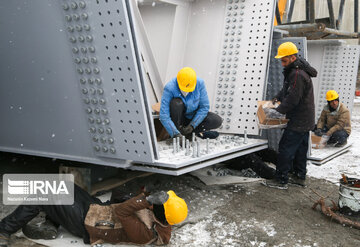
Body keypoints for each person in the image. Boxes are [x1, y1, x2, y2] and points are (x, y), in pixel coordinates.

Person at [0, 185, 188, 246]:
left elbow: (121, 211)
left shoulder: (146, 233)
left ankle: (3, 230)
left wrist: (145, 200)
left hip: (88, 223)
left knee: (42, 193)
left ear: (162, 212)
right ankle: (53, 221)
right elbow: (119, 198)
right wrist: (146, 194)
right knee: (64, 185)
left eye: (160, 204)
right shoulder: (161, 217)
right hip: (97, 209)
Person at [263, 42, 317, 190]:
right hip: (305, 119)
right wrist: (276, 98)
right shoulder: (296, 71)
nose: (282, 64)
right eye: (281, 60)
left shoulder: (297, 74)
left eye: (284, 60)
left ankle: (281, 180)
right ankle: (299, 176)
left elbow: (293, 98)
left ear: (293, 58)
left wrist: (277, 111)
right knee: (300, 148)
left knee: (285, 148)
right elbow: (286, 90)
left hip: (298, 120)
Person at [160, 67, 223, 141]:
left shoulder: (200, 83)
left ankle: (189, 133)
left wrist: (192, 125)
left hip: (193, 117)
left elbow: (204, 107)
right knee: (176, 103)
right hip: (178, 119)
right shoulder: (170, 87)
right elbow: (164, 116)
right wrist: (174, 133)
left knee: (216, 120)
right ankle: (178, 134)